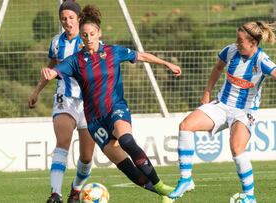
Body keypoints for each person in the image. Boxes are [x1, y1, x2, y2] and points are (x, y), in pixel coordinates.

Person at [36, 4, 181, 202]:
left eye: (91, 34)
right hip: (94, 120)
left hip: (115, 108)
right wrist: (48, 73)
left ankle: (161, 185)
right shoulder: (75, 60)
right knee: (125, 166)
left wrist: (166, 63)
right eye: (85, 35)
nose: (88, 39)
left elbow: (141, 55)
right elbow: (55, 70)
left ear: (99, 33)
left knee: (127, 141)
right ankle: (163, 195)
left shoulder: (113, 52)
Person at [168, 21, 276, 203]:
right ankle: (186, 179)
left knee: (236, 148)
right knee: (185, 126)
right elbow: (218, 67)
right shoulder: (231, 50)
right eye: (236, 38)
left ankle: (250, 197)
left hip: (244, 111)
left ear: (253, 43)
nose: (236, 43)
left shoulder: (261, 60)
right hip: (221, 105)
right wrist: (207, 93)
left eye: (240, 40)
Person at [28, 1, 95, 202]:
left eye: (71, 18)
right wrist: (36, 90)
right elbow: (51, 68)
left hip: (88, 103)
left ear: (79, 18)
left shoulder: (89, 40)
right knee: (62, 143)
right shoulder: (56, 42)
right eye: (63, 19)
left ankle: (76, 189)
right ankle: (55, 193)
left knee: (86, 157)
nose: (67, 22)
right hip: (64, 99)